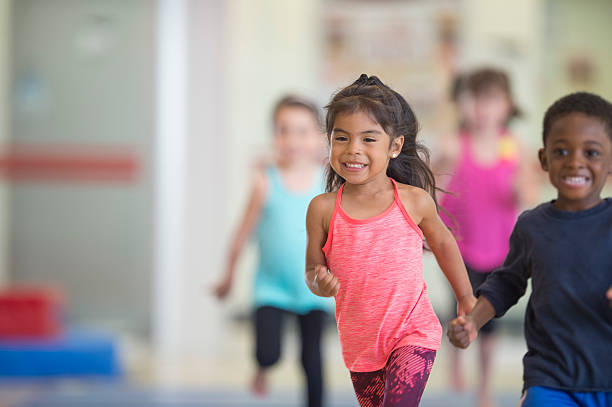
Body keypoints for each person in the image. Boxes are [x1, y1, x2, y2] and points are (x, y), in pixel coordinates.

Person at [305, 74, 476, 407]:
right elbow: (313, 268)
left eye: (369, 139)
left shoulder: (413, 201)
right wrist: (319, 282)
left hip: (413, 331)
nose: (353, 149)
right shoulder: (323, 209)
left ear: (394, 146)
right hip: (360, 343)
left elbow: (442, 244)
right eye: (341, 138)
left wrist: (465, 296)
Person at [448, 92, 612, 407]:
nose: (575, 161)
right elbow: (505, 284)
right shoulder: (532, 226)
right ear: (544, 160)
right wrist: (473, 322)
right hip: (550, 379)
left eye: (591, 153)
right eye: (562, 151)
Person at [213, 95, 332, 407]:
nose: (292, 139)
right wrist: (228, 276)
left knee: (312, 359)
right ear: (274, 137)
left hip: (314, 288)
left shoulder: (328, 183)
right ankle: (262, 367)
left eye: (302, 131)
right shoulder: (265, 182)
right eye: (283, 130)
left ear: (320, 138)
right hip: (272, 287)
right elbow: (242, 233)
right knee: (269, 353)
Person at [437, 68, 538, 407]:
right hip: (459, 245)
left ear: (508, 106)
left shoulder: (515, 148)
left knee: (488, 316)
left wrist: (524, 180)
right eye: (477, 100)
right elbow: (431, 191)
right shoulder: (454, 145)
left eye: (492, 100)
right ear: (466, 104)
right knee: (462, 306)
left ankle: (483, 386)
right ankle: (455, 359)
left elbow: (527, 195)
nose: (484, 109)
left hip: (499, 249)